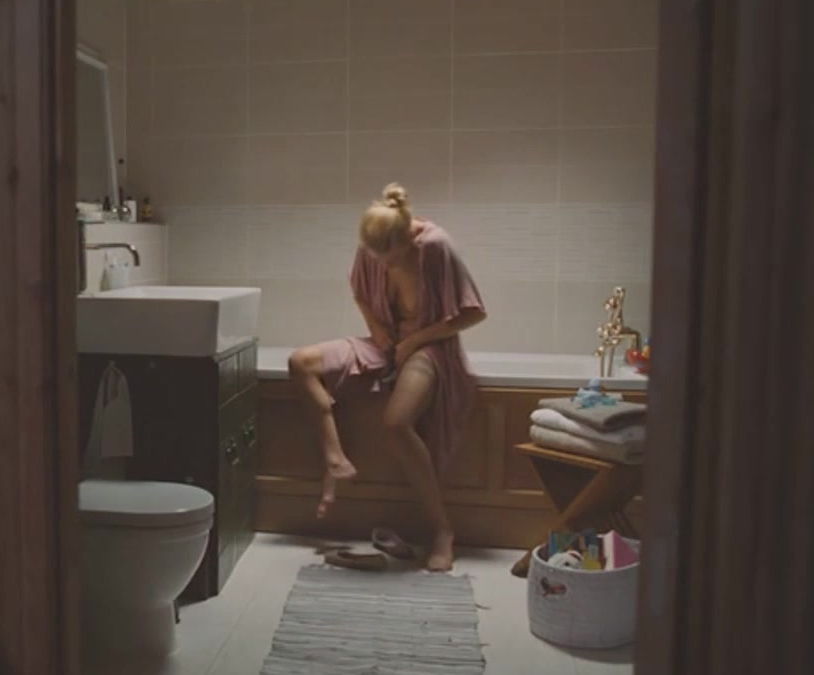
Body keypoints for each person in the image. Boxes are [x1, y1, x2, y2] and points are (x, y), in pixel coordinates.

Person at [287, 183, 486, 571]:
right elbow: (361, 292)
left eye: (389, 258)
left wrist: (415, 341)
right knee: (301, 362)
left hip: (430, 346)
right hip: (387, 342)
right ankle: (335, 459)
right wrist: (377, 330)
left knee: (396, 422)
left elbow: (473, 313)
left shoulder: (436, 247)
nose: (380, 263)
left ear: (408, 241)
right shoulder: (373, 244)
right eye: (374, 255)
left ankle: (442, 530)